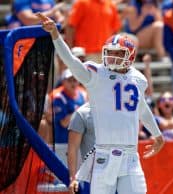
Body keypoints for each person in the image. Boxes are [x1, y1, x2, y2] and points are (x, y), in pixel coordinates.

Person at [37, 13, 164, 194]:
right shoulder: (97, 74)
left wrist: (157, 134)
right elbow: (71, 62)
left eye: (117, 53)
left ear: (130, 55)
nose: (111, 57)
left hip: (130, 156)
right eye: (109, 53)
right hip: (105, 155)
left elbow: (141, 107)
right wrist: (56, 36)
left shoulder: (139, 78)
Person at [52, 69, 87, 165]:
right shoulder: (59, 98)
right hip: (63, 143)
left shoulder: (83, 95)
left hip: (80, 144)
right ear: (63, 82)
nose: (73, 83)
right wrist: (80, 110)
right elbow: (64, 122)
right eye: (69, 80)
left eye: (75, 80)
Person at [68, 102, 95, 194]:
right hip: (92, 179)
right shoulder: (81, 113)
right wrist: (73, 178)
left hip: (118, 177)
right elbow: (72, 149)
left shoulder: (117, 113)